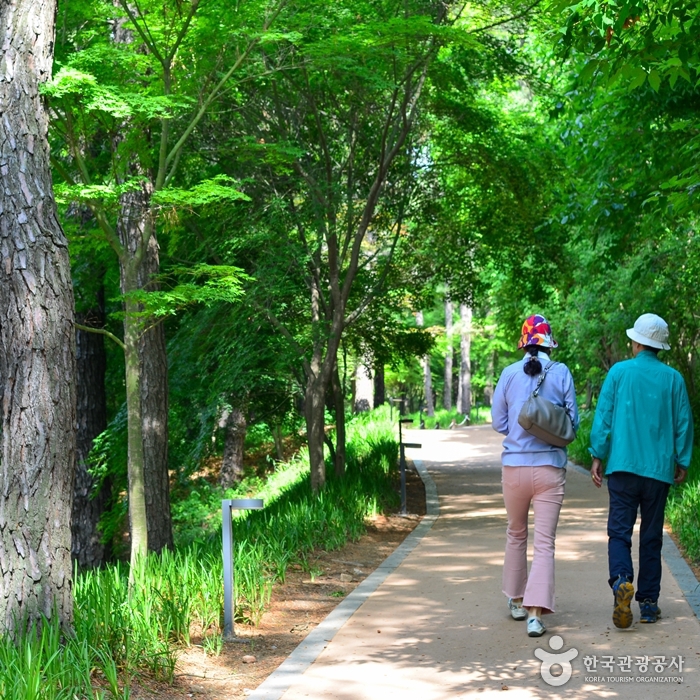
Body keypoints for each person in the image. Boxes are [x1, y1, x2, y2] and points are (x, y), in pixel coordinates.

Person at [590, 313, 693, 628]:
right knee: (651, 536)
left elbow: (604, 415)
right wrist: (682, 460)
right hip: (658, 471)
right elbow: (683, 423)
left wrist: (597, 454)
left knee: (619, 533)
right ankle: (648, 603)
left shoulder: (619, 373)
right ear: (658, 346)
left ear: (636, 342)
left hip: (622, 467)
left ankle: (622, 580)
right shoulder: (673, 378)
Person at [492, 314, 578, 637]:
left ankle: (515, 600)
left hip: (513, 468)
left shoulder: (509, 374)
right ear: (548, 343)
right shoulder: (561, 373)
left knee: (516, 533)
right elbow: (573, 423)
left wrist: (519, 428)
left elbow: (498, 422)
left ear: (524, 342)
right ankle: (535, 615)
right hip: (550, 469)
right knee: (544, 543)